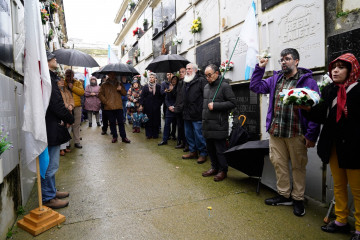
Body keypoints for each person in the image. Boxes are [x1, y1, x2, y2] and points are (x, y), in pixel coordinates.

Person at [249, 48, 320, 217]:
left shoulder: (307, 81)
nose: (283, 62)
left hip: (296, 132)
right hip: (276, 131)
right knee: (279, 164)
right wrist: (260, 68)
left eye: (287, 59)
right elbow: (255, 86)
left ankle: (298, 199)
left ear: (296, 61)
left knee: (298, 167)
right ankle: (284, 195)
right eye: (281, 59)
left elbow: (316, 111)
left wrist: (311, 135)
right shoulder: (276, 79)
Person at [299, 53, 360, 240]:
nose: (335, 70)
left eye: (341, 67)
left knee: (358, 190)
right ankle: (341, 219)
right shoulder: (330, 90)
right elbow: (321, 115)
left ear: (351, 70)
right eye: (334, 67)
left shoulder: (358, 90)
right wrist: (307, 108)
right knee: (339, 185)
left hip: (354, 147)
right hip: (333, 145)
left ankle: (359, 227)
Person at [43, 51, 74, 209]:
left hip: (52, 124)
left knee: (52, 163)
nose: (55, 58)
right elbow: (56, 104)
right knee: (50, 164)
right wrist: (70, 118)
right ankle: (48, 197)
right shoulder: (48, 79)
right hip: (50, 126)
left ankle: (52, 191)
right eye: (51, 57)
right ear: (46, 61)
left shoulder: (51, 78)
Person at [201, 64, 236, 181]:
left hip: (219, 124)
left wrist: (216, 106)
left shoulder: (224, 86)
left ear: (217, 73)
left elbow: (232, 103)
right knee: (210, 148)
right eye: (206, 75)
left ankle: (223, 170)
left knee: (220, 150)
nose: (207, 78)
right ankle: (214, 167)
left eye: (209, 75)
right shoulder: (206, 87)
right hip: (207, 124)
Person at [181, 63, 208, 164]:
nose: (187, 71)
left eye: (189, 69)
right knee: (189, 134)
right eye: (187, 69)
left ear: (195, 70)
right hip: (187, 113)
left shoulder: (201, 80)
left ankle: (203, 153)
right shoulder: (185, 81)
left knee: (199, 134)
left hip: (197, 112)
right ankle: (193, 151)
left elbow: (206, 96)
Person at [98, 72, 131, 143]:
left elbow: (125, 93)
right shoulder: (104, 85)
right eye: (110, 74)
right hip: (109, 107)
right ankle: (115, 136)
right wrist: (106, 102)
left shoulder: (119, 83)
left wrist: (120, 89)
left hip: (118, 106)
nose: (112, 76)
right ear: (108, 75)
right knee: (112, 123)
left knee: (121, 123)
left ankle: (123, 137)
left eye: (113, 74)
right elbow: (100, 95)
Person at [65, 69, 84, 149]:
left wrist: (72, 87)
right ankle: (67, 143)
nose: (69, 77)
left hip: (77, 106)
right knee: (67, 125)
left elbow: (82, 92)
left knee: (76, 125)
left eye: (70, 75)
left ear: (73, 75)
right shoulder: (63, 82)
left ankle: (77, 141)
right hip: (67, 106)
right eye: (67, 75)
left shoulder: (78, 82)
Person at [140, 72, 163, 139]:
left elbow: (161, 97)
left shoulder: (158, 87)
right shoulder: (145, 87)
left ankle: (155, 134)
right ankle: (149, 134)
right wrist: (141, 105)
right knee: (148, 121)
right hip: (147, 107)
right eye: (150, 77)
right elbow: (142, 97)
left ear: (155, 78)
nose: (151, 78)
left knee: (155, 121)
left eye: (152, 77)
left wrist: (159, 103)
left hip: (156, 107)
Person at [169, 67, 188, 150]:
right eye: (180, 72)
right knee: (180, 127)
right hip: (178, 109)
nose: (181, 73)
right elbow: (176, 95)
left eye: (183, 72)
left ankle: (187, 144)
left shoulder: (187, 82)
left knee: (186, 128)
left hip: (184, 109)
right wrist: (172, 89)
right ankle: (182, 143)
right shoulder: (180, 83)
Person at [158, 75, 179, 146]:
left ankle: (178, 140)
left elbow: (178, 98)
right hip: (169, 110)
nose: (173, 81)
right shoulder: (168, 89)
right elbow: (166, 99)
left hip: (176, 109)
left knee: (176, 125)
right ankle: (164, 140)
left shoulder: (178, 89)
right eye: (172, 80)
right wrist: (169, 106)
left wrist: (174, 106)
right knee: (166, 125)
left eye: (175, 80)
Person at [57, 76, 74, 156]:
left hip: (69, 111)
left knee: (68, 129)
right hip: (62, 111)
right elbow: (59, 101)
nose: (62, 82)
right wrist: (67, 106)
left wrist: (71, 105)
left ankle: (66, 146)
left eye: (63, 80)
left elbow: (71, 99)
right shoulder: (57, 90)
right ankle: (61, 149)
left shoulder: (66, 90)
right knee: (62, 129)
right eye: (60, 81)